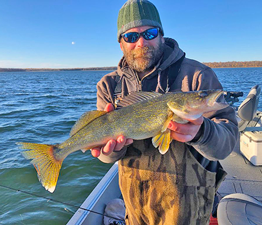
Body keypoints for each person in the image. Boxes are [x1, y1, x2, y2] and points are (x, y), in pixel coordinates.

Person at [90, 0, 238, 224]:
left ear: (161, 35)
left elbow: (227, 143)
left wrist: (202, 132)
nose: (141, 42)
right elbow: (104, 156)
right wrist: (109, 152)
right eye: (130, 37)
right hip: (136, 211)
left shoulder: (198, 76)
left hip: (188, 212)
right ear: (121, 44)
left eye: (149, 33)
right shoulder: (108, 86)